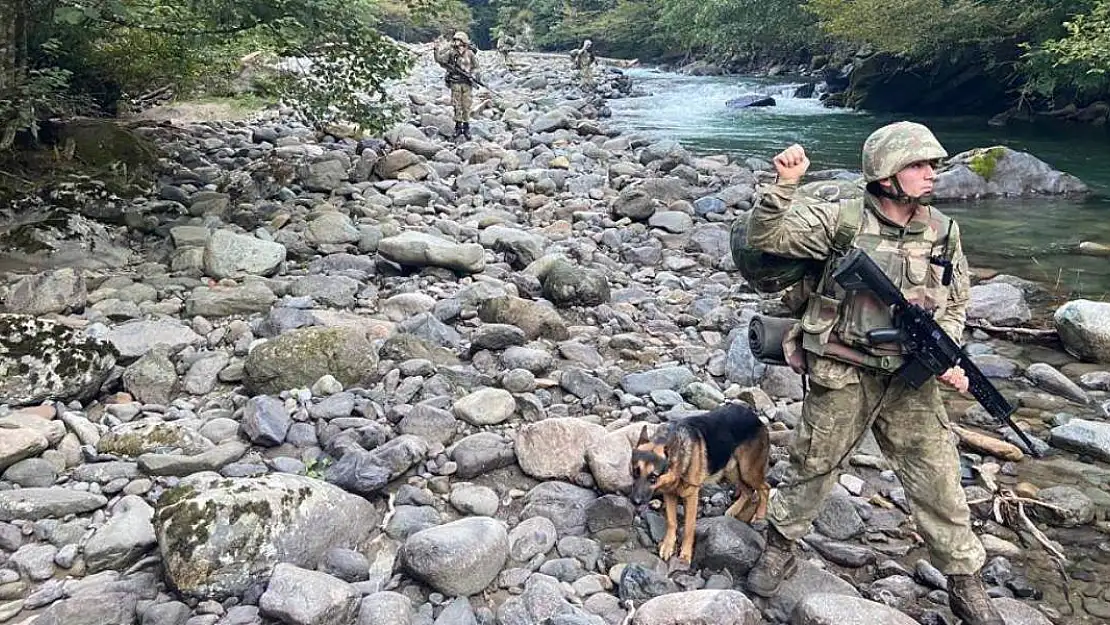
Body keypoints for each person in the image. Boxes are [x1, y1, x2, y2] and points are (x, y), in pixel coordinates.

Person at [743, 121, 1004, 625]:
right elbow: (767, 236)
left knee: (938, 477)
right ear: (887, 174)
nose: (931, 174)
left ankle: (965, 581)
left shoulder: (943, 230)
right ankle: (779, 545)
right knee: (814, 463)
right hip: (842, 366)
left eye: (932, 165)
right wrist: (785, 186)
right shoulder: (840, 222)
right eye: (918, 165)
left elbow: (956, 299)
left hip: (910, 375)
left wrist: (945, 355)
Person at [434, 31, 480, 140]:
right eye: (455, 40)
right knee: (456, 105)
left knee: (466, 105)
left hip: (467, 83)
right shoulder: (451, 53)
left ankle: (466, 127)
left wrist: (473, 76)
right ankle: (458, 127)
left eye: (458, 40)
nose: (455, 42)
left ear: (463, 41)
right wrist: (436, 49)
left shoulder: (470, 54)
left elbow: (477, 67)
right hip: (455, 82)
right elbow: (440, 60)